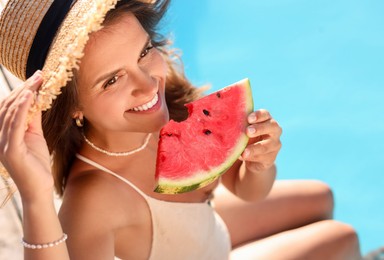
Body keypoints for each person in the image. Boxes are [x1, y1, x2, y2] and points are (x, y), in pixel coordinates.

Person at [0, 0, 361, 259]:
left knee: (321, 196)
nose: (147, 85)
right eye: (112, 80)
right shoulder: (94, 202)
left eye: (143, 52)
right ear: (72, 105)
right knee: (341, 238)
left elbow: (248, 191)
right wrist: (35, 197)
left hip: (205, 234)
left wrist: (258, 164)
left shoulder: (163, 99)